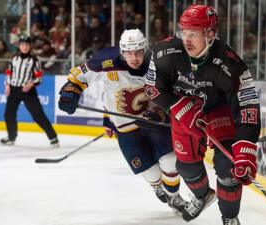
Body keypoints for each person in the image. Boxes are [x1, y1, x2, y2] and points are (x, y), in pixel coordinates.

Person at [144, 5, 261, 225]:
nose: (186, 40)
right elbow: (152, 87)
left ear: (209, 34)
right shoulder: (164, 53)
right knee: (186, 166)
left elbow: (248, 107)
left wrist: (245, 146)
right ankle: (201, 196)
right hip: (184, 110)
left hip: (219, 111)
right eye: (184, 32)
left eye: (193, 33)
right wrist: (177, 106)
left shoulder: (231, 65)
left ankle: (230, 219)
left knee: (229, 169)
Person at [58, 29, 186, 214]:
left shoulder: (157, 63)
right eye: (129, 53)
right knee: (151, 174)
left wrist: (161, 114)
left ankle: (174, 197)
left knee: (171, 160)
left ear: (144, 49)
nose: (134, 58)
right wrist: (71, 89)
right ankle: (157, 185)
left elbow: (173, 92)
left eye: (138, 52)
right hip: (124, 126)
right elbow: (80, 75)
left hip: (153, 121)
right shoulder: (106, 60)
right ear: (122, 52)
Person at [1, 35, 59, 147]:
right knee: (9, 114)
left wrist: (31, 83)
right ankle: (11, 137)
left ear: (30, 46)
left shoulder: (34, 60)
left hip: (28, 91)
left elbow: (39, 77)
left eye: (27, 44)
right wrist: (7, 85)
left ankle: (53, 137)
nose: (25, 47)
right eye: (22, 44)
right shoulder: (13, 58)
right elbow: (9, 72)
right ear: (19, 46)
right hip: (13, 89)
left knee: (38, 115)